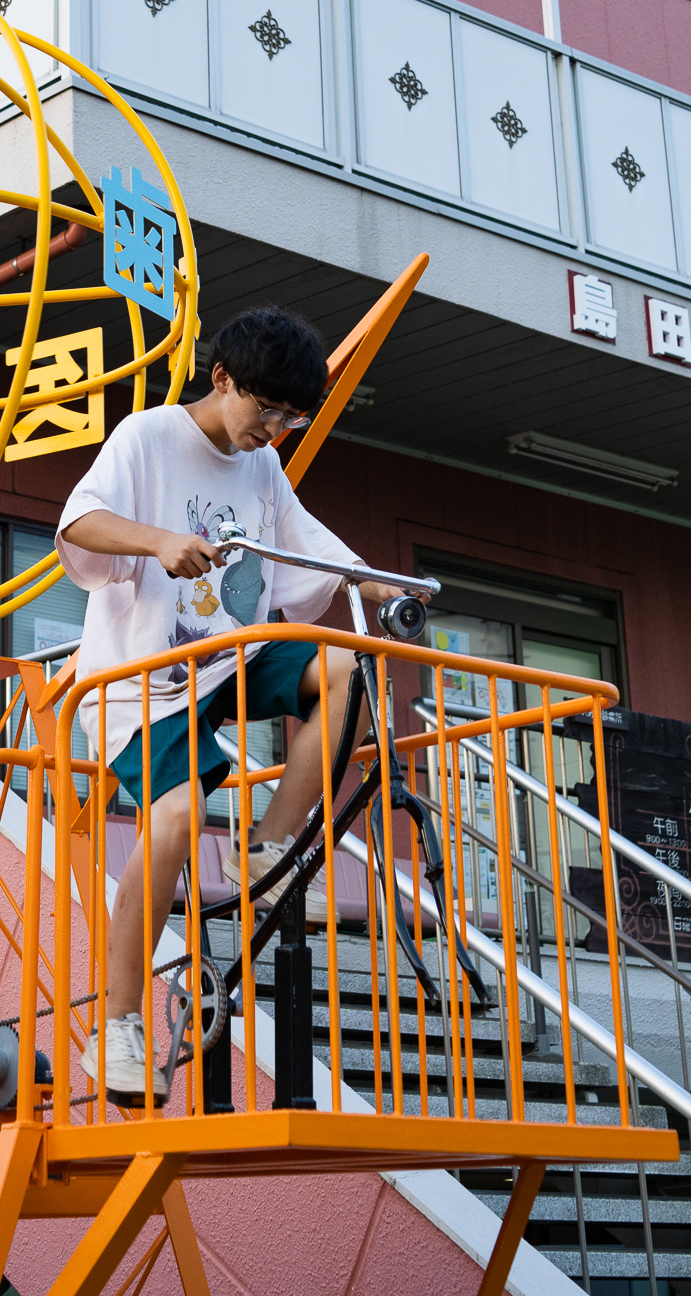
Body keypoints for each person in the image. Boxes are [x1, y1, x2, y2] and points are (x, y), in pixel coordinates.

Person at [56, 304, 408, 1102]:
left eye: (291, 417)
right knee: (176, 820)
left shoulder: (263, 467)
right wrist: (155, 541)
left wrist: (375, 583)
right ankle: (116, 1027)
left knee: (345, 667)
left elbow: (309, 546)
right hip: (141, 678)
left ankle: (267, 849)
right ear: (221, 379)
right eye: (266, 410)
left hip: (229, 658)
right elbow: (80, 518)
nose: (274, 430)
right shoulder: (148, 436)